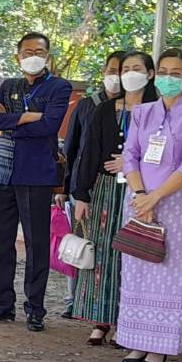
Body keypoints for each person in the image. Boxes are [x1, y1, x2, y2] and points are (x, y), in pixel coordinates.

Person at [116, 48, 182, 362]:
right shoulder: (142, 112)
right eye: (164, 72)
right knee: (136, 270)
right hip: (139, 200)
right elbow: (130, 155)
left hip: (176, 201)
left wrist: (155, 197)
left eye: (177, 73)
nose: (169, 78)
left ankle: (159, 347)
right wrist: (141, 194)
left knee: (168, 271)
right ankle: (135, 341)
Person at [0, 32, 72, 331]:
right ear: (18, 56)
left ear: (48, 56)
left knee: (36, 244)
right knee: (2, 243)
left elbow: (49, 126)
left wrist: (12, 120)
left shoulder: (59, 87)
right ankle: (2, 305)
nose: (33, 56)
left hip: (36, 175)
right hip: (4, 173)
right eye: (27, 52)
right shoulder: (9, 86)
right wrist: (28, 117)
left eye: (39, 52)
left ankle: (35, 309)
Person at [73, 52, 158, 346]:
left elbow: (166, 152)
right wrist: (81, 194)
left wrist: (132, 162)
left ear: (150, 74)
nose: (130, 74)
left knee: (133, 254)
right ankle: (101, 320)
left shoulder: (159, 111)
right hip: (106, 190)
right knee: (103, 254)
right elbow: (89, 152)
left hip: (143, 191)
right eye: (125, 69)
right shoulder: (105, 109)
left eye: (137, 68)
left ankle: (128, 320)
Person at [60, 53, 123, 317]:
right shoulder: (87, 105)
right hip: (84, 188)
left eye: (122, 71)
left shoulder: (139, 109)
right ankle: (73, 300)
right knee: (81, 244)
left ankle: (111, 306)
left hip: (120, 189)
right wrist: (65, 189)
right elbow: (71, 148)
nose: (116, 76)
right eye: (112, 70)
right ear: (103, 71)